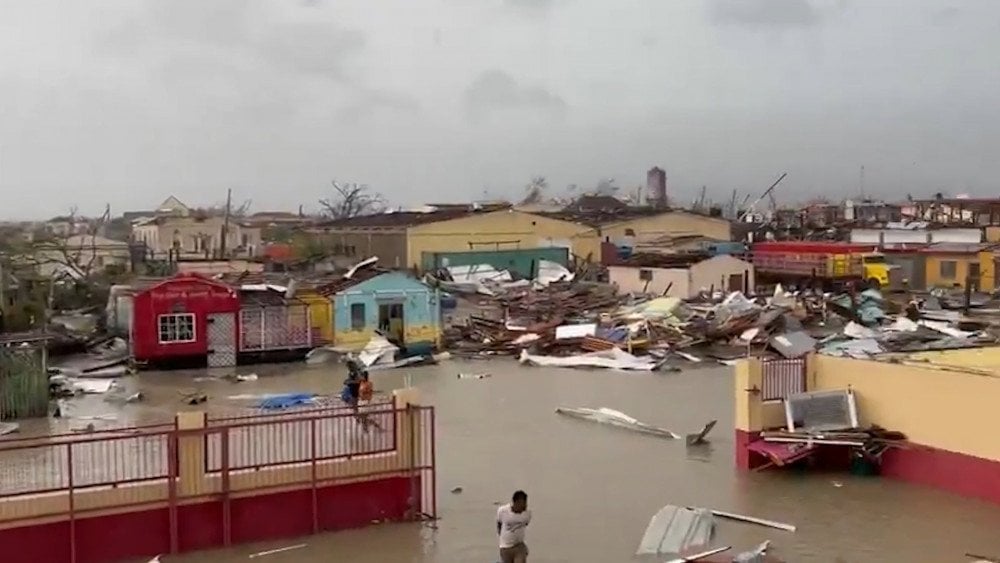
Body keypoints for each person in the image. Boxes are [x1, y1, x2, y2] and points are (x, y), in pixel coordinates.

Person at [496, 490, 531, 563]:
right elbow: (499, 524)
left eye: (526, 503)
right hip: (505, 547)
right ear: (516, 502)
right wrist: (502, 537)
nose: (525, 506)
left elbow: (525, 525)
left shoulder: (527, 514)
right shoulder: (503, 511)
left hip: (519, 545)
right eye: (523, 503)